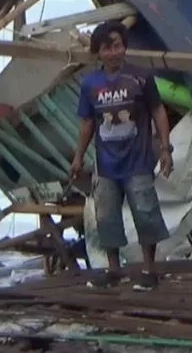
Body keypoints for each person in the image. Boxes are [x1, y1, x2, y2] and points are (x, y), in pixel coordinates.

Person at [72, 20, 174, 291]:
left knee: (146, 213)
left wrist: (165, 148)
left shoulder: (140, 76)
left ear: (124, 47)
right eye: (107, 48)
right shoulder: (90, 84)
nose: (113, 52)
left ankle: (149, 269)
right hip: (105, 165)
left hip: (138, 161)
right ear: (98, 52)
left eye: (117, 46)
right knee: (106, 217)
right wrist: (78, 157)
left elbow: (158, 111)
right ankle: (114, 269)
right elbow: (87, 124)